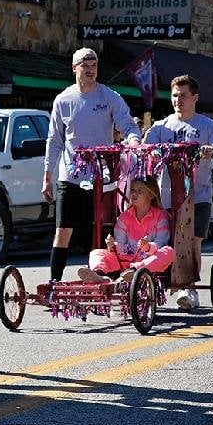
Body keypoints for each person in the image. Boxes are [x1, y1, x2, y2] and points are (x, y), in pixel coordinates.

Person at [43, 48, 141, 284]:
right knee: (63, 231)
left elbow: (127, 124)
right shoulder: (63, 100)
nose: (90, 70)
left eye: (94, 66)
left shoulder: (108, 97)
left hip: (102, 177)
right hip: (70, 176)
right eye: (84, 66)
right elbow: (55, 140)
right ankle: (54, 284)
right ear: (74, 68)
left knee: (99, 232)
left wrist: (133, 140)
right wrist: (47, 177)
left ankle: (101, 278)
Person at [143, 74, 213, 312]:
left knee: (192, 242)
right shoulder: (161, 127)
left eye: (183, 95)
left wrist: (210, 151)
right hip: (167, 196)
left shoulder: (208, 126)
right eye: (174, 95)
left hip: (198, 196)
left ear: (195, 98)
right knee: (164, 244)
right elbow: (145, 150)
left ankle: (189, 289)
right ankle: (157, 286)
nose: (178, 100)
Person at [77, 176, 174, 283]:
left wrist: (148, 247)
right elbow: (120, 246)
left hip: (148, 262)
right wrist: (112, 245)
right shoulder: (124, 217)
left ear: (151, 195)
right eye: (132, 190)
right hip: (125, 260)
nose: (134, 194)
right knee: (96, 253)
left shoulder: (161, 216)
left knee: (169, 252)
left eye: (139, 191)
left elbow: (161, 243)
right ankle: (99, 276)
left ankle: (134, 272)